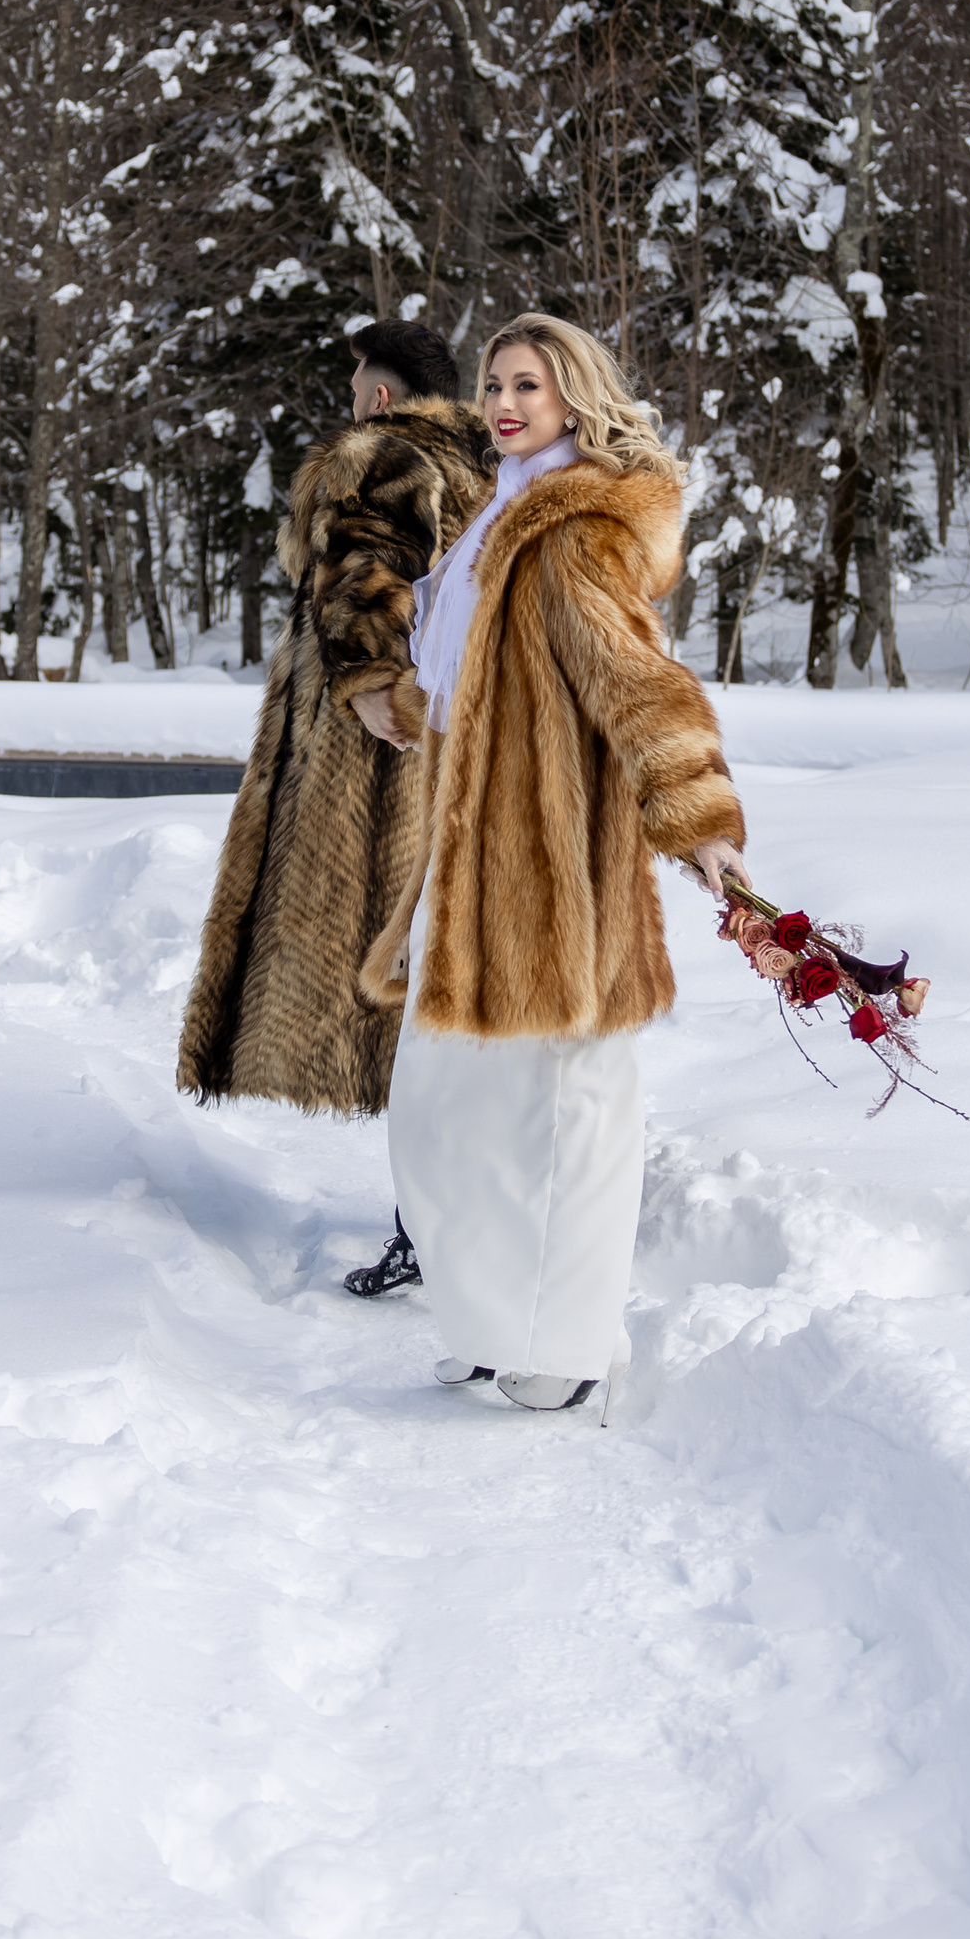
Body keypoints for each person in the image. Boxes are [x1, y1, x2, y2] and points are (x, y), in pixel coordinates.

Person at [354, 314, 748, 1412]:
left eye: (528, 382)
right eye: (494, 381)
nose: (505, 400)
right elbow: (477, 672)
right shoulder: (499, 518)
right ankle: (492, 1325)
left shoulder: (573, 530)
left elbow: (636, 685)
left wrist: (698, 817)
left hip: (555, 863)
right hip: (470, 853)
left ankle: (565, 1347)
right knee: (443, 1107)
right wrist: (405, 703)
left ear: (575, 396)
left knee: (564, 1107)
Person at [176, 326, 498, 1240]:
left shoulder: (377, 453)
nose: (349, 396)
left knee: (378, 987)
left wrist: (360, 682)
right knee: (427, 992)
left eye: (357, 380)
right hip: (446, 751)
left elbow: (362, 572)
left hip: (366, 765)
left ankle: (427, 1229)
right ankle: (438, 1218)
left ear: (384, 396)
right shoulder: (485, 467)